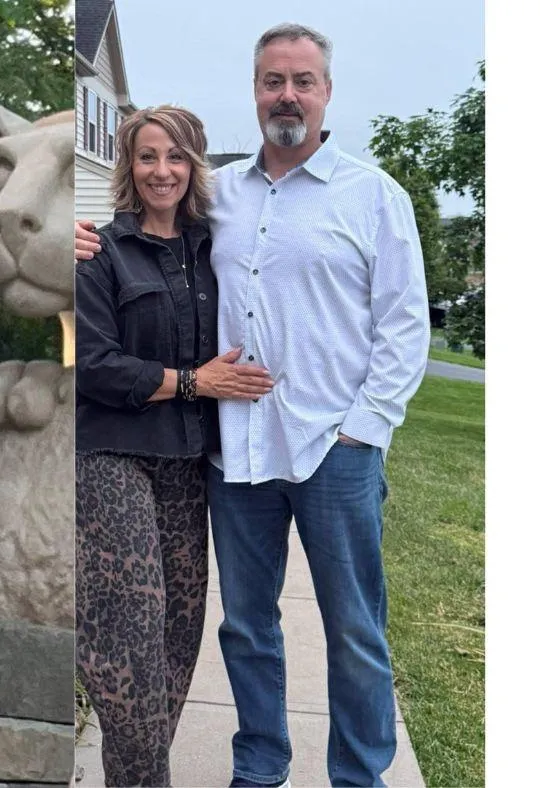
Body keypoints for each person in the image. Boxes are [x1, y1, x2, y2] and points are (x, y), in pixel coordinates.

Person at [76, 22, 431, 788]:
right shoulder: (222, 196)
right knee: (247, 628)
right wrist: (71, 239)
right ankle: (261, 767)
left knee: (355, 631)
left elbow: (404, 326)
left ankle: (360, 775)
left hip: (336, 450)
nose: (288, 95)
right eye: (274, 80)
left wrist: (363, 431)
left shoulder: (373, 195)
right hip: (236, 451)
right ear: (256, 90)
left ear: (327, 92)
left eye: (303, 80)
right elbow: (148, 237)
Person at [75, 105, 275, 788]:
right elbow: (95, 367)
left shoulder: (215, 250)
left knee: (175, 641)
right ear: (128, 166)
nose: (163, 171)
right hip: (112, 458)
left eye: (177, 157)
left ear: (195, 166)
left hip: (188, 463)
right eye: (147, 156)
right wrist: (196, 381)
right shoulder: (100, 252)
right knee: (125, 644)